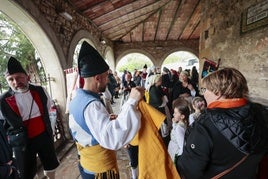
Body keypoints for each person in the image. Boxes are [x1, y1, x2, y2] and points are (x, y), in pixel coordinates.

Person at [68, 41, 144, 178]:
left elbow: (88, 128)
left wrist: (108, 120)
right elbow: (112, 138)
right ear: (97, 78)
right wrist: (131, 101)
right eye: (106, 76)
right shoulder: (92, 105)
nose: (108, 80)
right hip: (99, 170)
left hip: (86, 163)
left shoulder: (77, 99)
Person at [176, 67, 268, 178]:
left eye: (205, 90)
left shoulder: (205, 124)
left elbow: (190, 170)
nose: (204, 94)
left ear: (218, 92)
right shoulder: (262, 112)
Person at [0, 57, 59, 179]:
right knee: (27, 172)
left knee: (50, 165)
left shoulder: (40, 90)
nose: (16, 82)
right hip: (21, 143)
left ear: (27, 76)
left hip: (44, 137)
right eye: (11, 79)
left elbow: (47, 109)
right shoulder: (2, 100)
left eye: (19, 77)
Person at [168, 98, 190, 162]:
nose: (173, 114)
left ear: (182, 116)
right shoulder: (184, 123)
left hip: (175, 150)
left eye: (175, 113)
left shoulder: (179, 128)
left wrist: (178, 159)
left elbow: (182, 145)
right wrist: (174, 124)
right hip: (174, 147)